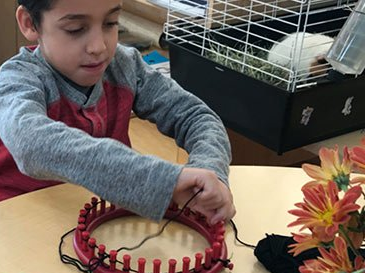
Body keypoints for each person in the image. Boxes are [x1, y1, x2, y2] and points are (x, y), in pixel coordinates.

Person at [0, 0, 235, 225]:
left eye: (110, 23)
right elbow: (31, 143)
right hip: (22, 222)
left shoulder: (125, 66)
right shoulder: (17, 80)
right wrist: (161, 181)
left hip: (100, 218)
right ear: (30, 23)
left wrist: (209, 172)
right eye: (75, 29)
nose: (98, 47)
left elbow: (196, 117)